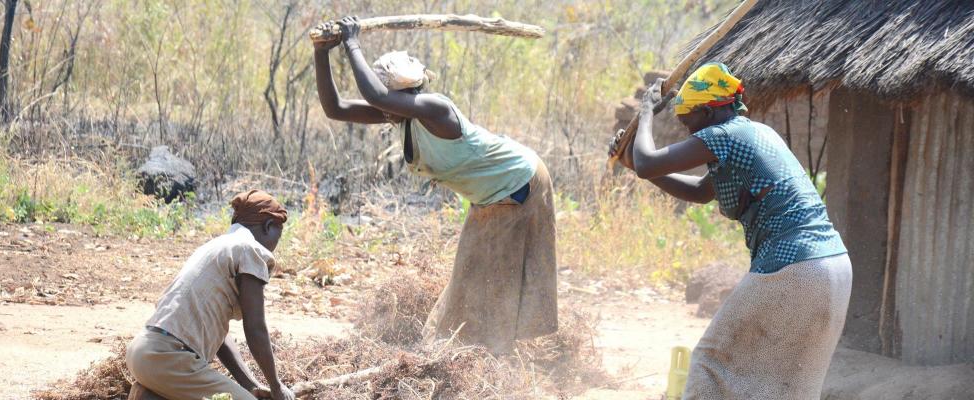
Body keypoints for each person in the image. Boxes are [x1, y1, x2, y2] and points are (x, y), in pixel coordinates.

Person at [312, 17, 557, 354]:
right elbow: (335, 108)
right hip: (489, 197)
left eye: (388, 100)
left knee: (496, 279)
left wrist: (352, 43)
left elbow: (377, 95)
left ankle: (497, 360)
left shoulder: (436, 108)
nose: (382, 109)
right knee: (469, 277)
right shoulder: (397, 114)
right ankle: (477, 354)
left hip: (518, 184)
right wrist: (321, 52)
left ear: (403, 94)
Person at [609, 63, 852, 399]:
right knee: (787, 385)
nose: (691, 134)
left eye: (689, 122)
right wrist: (634, 164)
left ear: (709, 112)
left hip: (793, 263)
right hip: (833, 268)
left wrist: (647, 113)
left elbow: (650, 161)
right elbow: (699, 191)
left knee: (711, 362)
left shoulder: (725, 135)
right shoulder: (754, 134)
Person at [125, 190, 295, 400]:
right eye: (279, 233)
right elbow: (255, 328)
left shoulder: (215, 247)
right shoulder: (250, 250)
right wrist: (276, 386)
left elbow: (221, 339)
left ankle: (148, 395)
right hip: (170, 356)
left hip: (143, 354)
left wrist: (250, 386)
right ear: (269, 226)